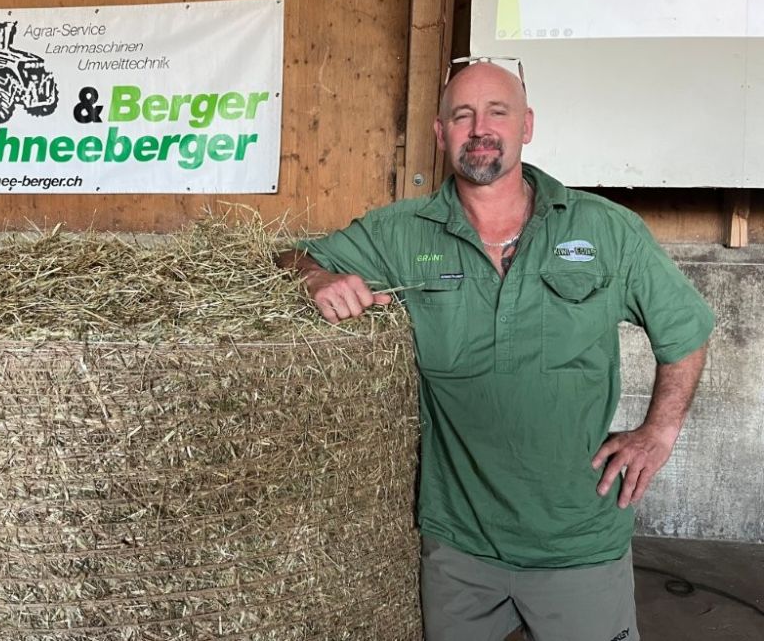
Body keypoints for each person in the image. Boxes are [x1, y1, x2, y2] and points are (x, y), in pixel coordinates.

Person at [277, 59, 714, 641]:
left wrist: (657, 434)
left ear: (526, 126)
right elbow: (287, 257)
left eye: (497, 112)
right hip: (460, 548)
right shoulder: (401, 233)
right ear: (441, 134)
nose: (480, 128)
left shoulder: (607, 230)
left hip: (577, 539)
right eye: (462, 115)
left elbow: (685, 332)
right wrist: (314, 279)